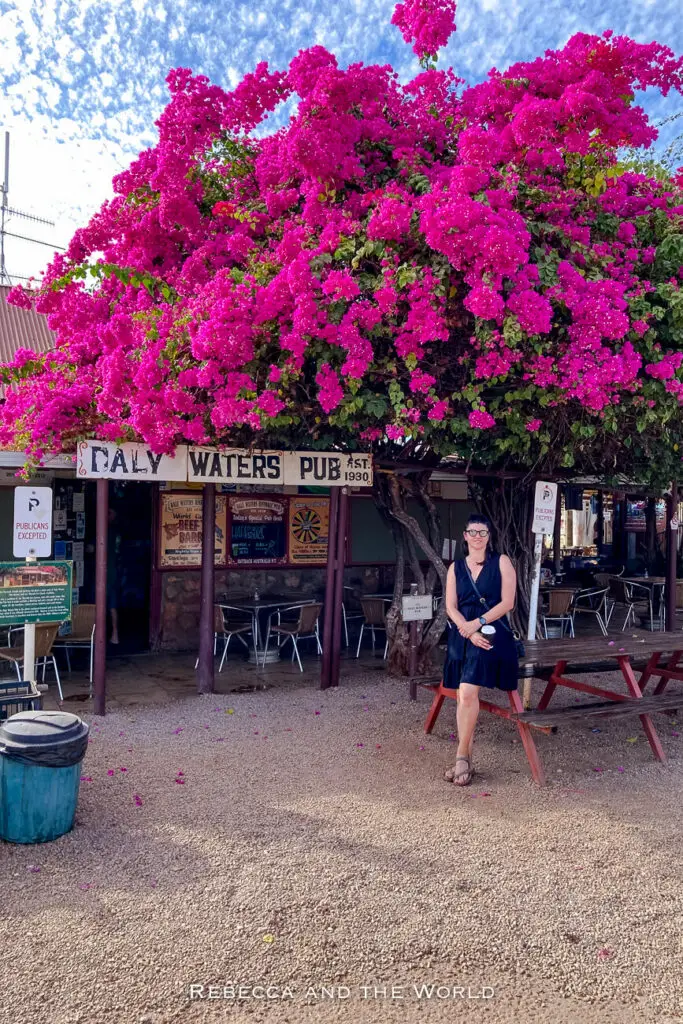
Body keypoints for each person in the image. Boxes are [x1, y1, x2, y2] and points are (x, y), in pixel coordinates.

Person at [442, 514, 519, 786]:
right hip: (462, 632)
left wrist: (478, 623)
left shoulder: (502, 562)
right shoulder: (455, 568)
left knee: (467, 691)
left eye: (482, 532)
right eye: (472, 531)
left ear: (489, 536)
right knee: (464, 694)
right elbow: (450, 605)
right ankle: (465, 755)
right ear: (465, 536)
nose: (477, 536)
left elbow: (507, 602)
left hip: (491, 631)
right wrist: (467, 629)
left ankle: (462, 756)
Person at [107, 508, 121, 645]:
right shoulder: (116, 533)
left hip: (109, 573)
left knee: (110, 605)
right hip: (114, 572)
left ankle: (114, 634)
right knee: (112, 605)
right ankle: (114, 634)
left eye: (110, 512)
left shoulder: (109, 532)